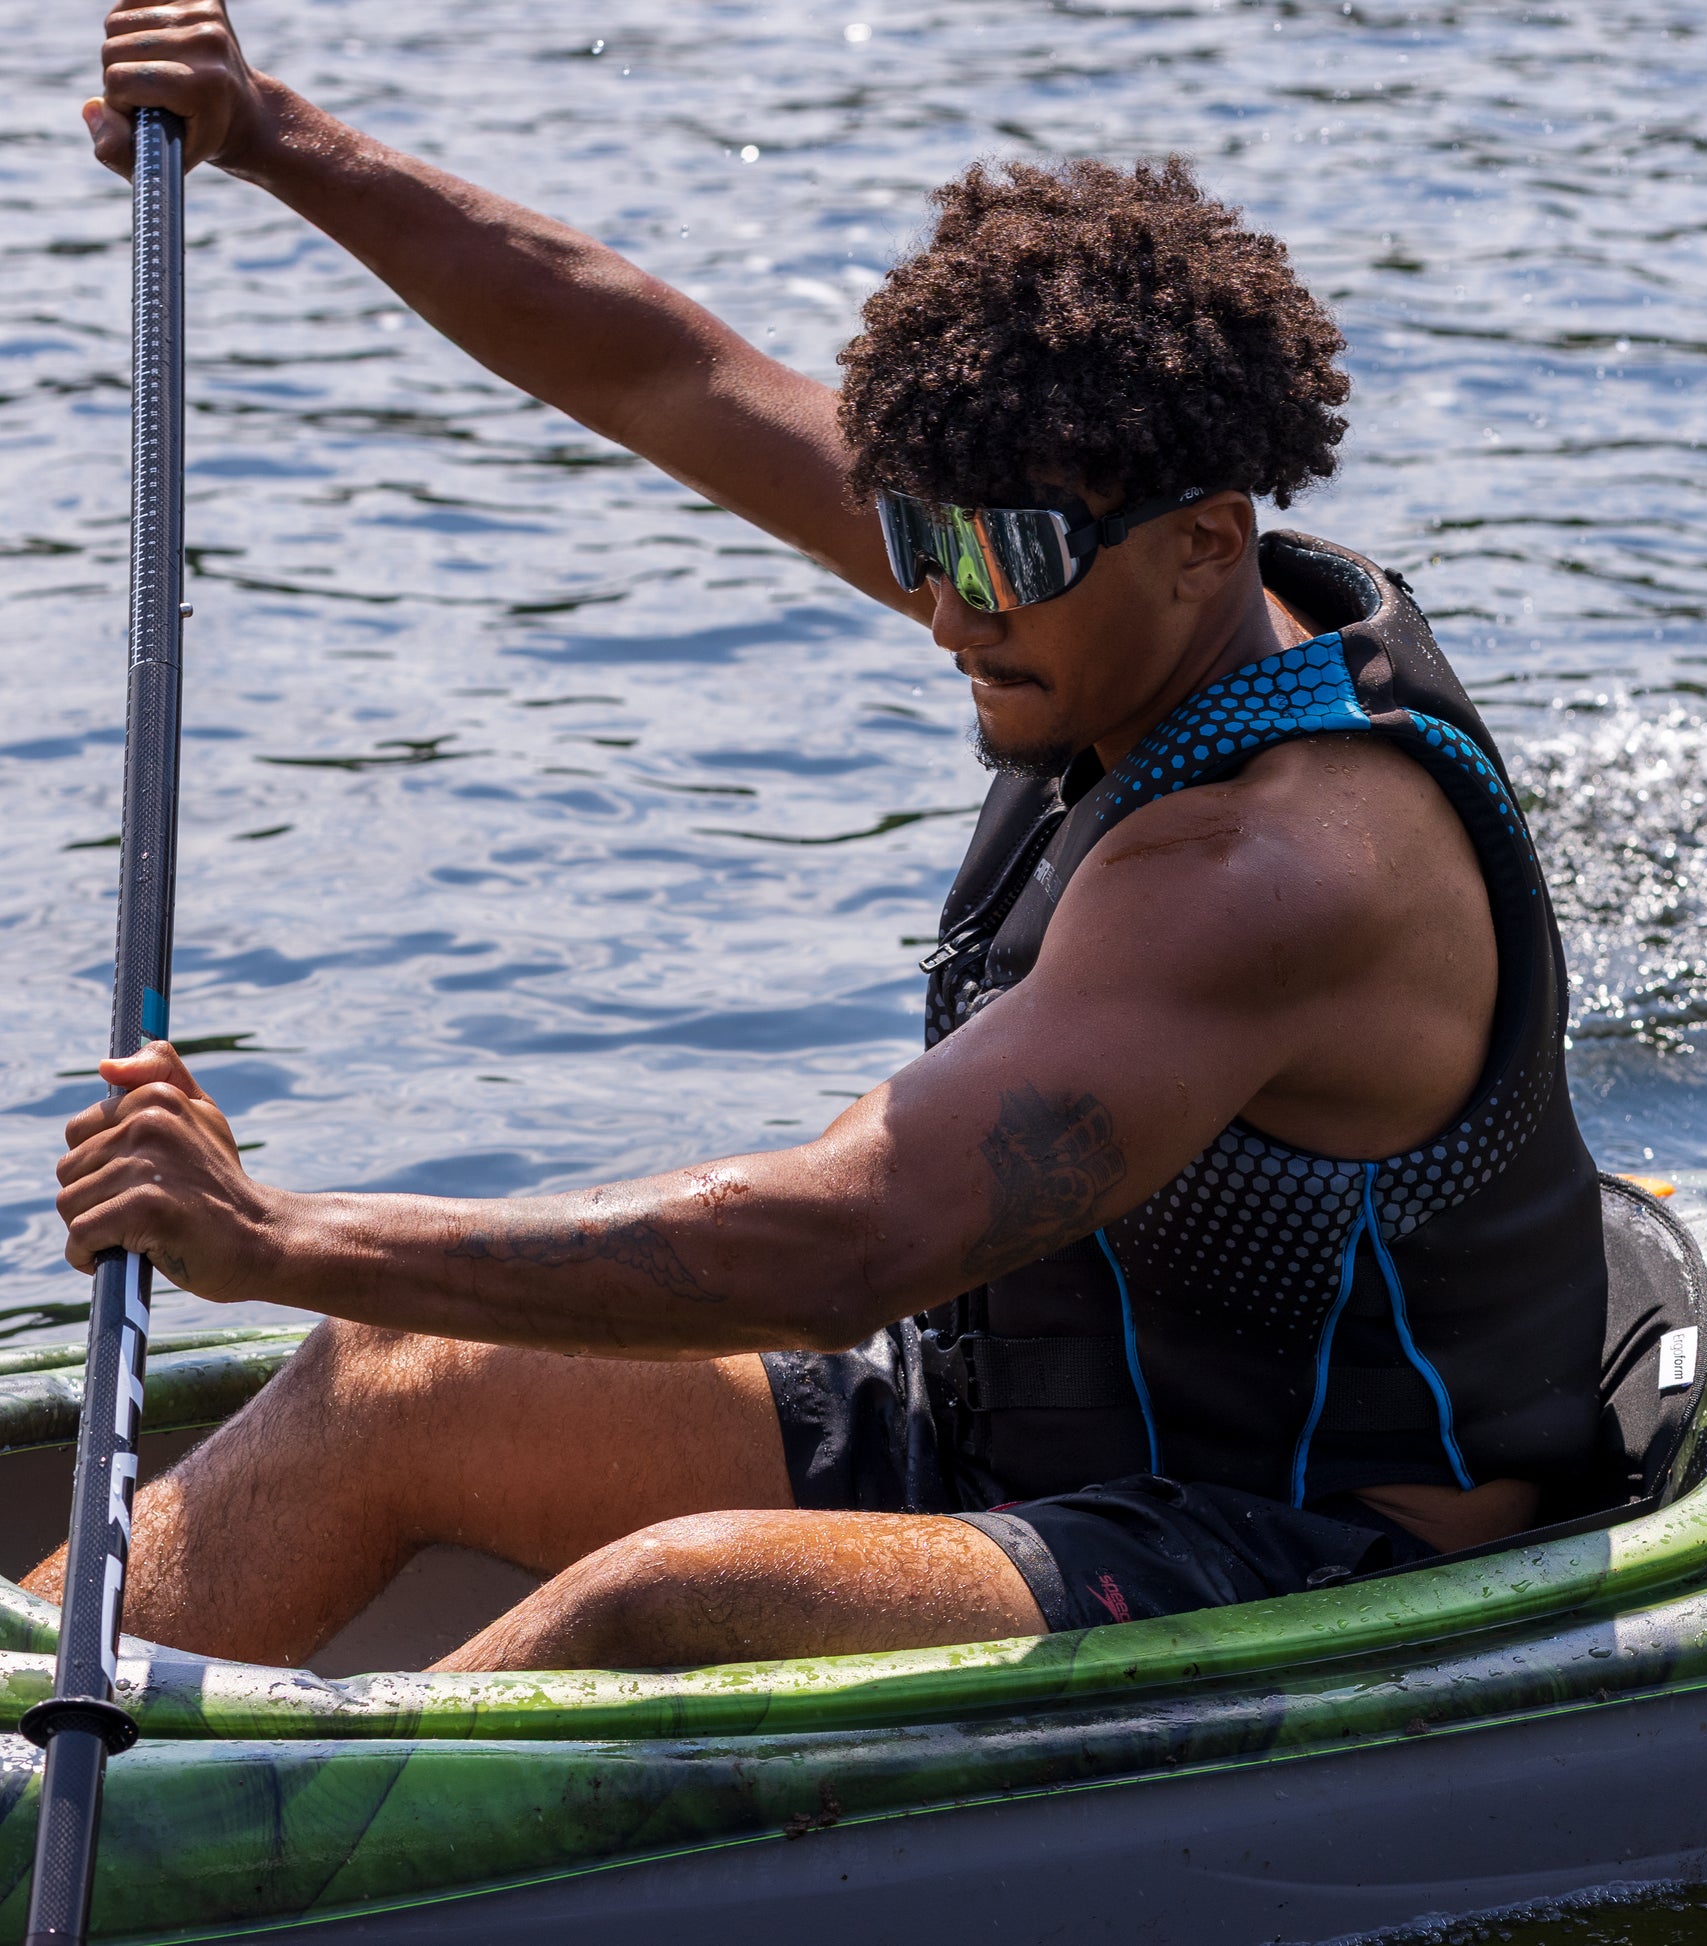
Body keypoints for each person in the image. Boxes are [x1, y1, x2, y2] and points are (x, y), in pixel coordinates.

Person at [34, 0, 1608, 1675]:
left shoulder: (1268, 875)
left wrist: (274, 1237)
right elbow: (665, 369)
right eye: (912, 534)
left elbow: (861, 1238)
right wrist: (276, 135)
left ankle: (238, 1873)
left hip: (1300, 1541)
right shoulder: (1081, 580)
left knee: (671, 1592)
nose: (938, 606)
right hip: (1034, 1426)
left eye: (987, 555)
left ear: (1207, 540)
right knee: (392, 1368)